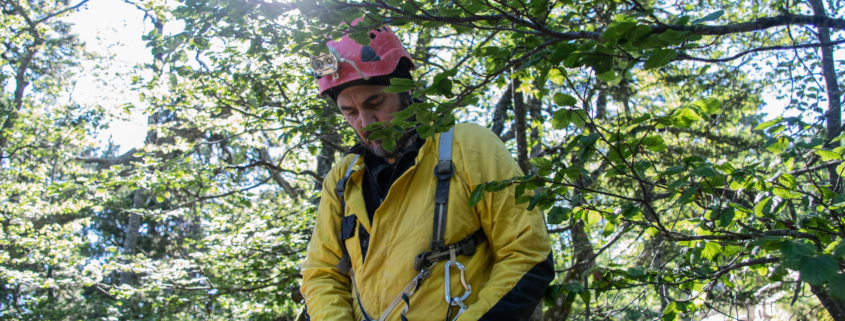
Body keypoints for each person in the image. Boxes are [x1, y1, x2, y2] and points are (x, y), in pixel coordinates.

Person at [300, 18, 554, 321]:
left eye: (375, 102)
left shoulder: (467, 146)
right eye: (350, 112)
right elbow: (322, 273)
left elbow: (527, 253)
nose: (366, 123)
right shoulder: (343, 179)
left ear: (407, 90)